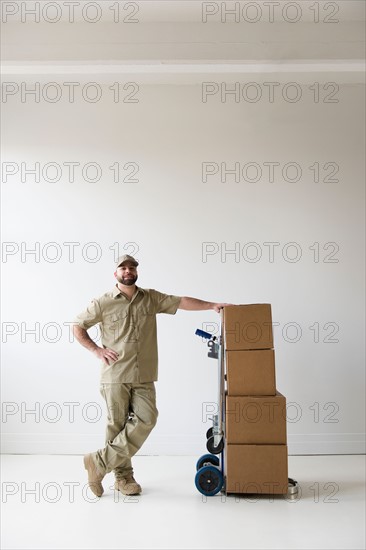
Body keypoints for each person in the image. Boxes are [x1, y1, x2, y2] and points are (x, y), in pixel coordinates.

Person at [73, 254, 228, 497]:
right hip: (115, 374)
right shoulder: (103, 302)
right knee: (117, 426)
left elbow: (180, 301)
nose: (127, 271)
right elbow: (78, 325)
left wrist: (210, 305)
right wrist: (96, 350)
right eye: (122, 268)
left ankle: (98, 463)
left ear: (136, 271)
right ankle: (123, 478)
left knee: (147, 418)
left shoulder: (151, 298)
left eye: (131, 267)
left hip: (144, 374)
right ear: (115, 273)